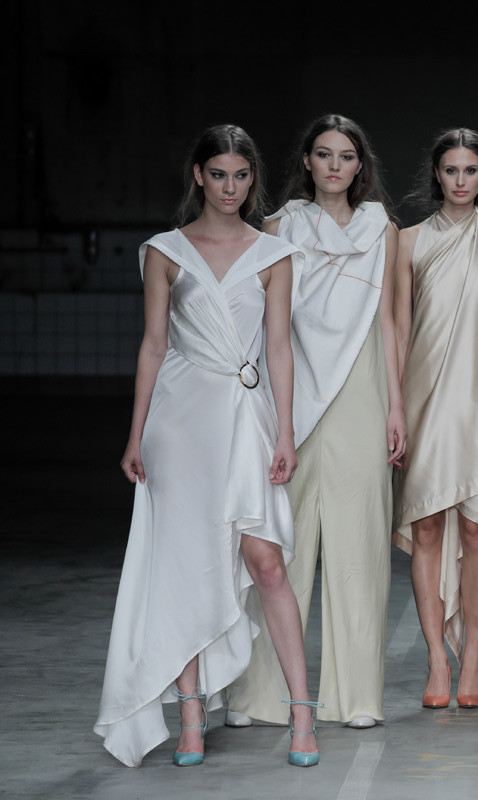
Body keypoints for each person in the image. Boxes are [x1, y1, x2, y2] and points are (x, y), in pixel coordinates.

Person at [94, 124, 320, 767]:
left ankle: (303, 714)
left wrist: (284, 431)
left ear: (253, 180)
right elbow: (153, 345)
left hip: (244, 417)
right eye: (218, 175)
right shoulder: (165, 251)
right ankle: (190, 717)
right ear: (198, 175)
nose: (230, 188)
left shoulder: (273, 254)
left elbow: (279, 348)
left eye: (241, 176)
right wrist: (135, 434)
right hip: (179, 423)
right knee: (184, 564)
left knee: (266, 560)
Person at [225, 114, 403, 730]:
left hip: (362, 388)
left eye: (346, 156)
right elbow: (261, 324)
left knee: (361, 544)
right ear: (306, 161)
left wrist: (397, 405)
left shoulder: (383, 229)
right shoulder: (280, 227)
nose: (334, 165)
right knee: (283, 539)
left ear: (360, 165)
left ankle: (358, 698)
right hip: (294, 393)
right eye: (324, 154)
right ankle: (260, 696)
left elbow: (389, 322)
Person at [393, 128, 478, 711]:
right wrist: (395, 406)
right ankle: (436, 661)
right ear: (437, 175)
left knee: (476, 532)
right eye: (451, 170)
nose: (461, 180)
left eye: (471, 170)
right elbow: (399, 328)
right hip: (423, 400)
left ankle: (472, 659)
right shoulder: (409, 241)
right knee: (426, 526)